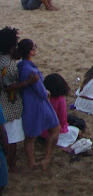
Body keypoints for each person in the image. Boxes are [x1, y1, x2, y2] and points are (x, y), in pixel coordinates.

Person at [17, 39, 60, 170]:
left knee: (30, 136)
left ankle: (31, 162)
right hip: (38, 103)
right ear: (30, 51)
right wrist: (46, 92)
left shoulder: (20, 65)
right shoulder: (31, 70)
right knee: (55, 129)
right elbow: (41, 92)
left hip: (27, 102)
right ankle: (46, 159)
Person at [0, 26, 35, 172]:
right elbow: (8, 86)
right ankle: (12, 164)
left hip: (5, 104)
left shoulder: (3, 59)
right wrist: (27, 82)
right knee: (12, 137)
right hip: (9, 105)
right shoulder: (7, 64)